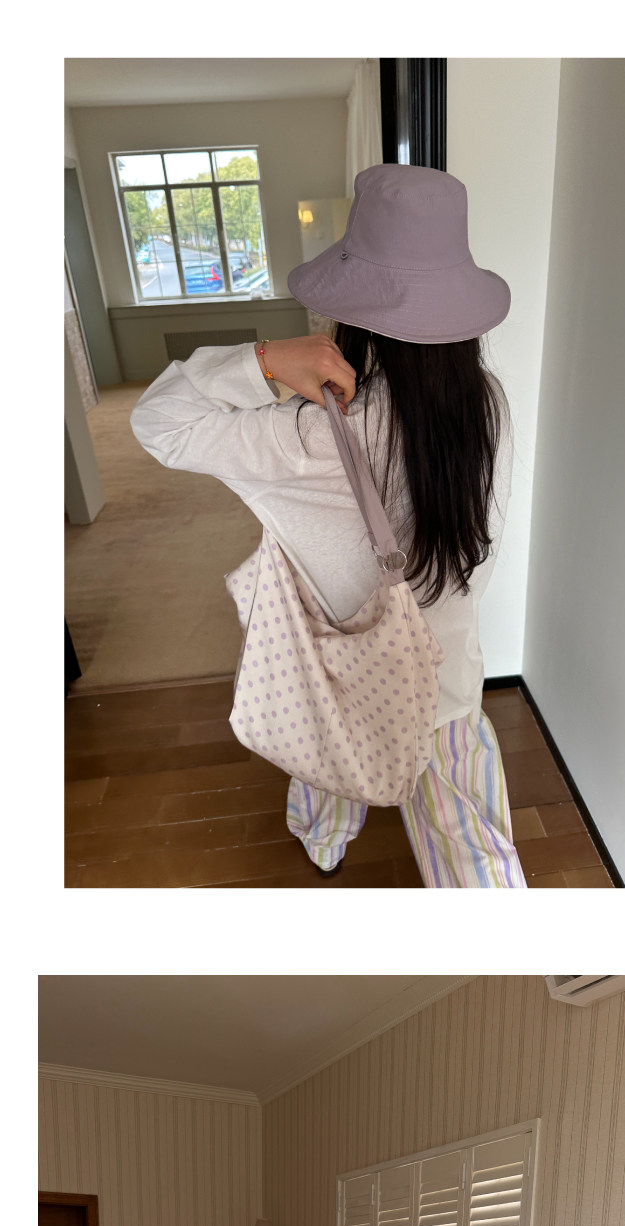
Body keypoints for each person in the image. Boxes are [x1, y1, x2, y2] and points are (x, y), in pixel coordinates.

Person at [130, 164, 526, 889]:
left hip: (341, 671)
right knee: (473, 844)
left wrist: (265, 360)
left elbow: (159, 421)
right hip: (448, 676)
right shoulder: (486, 403)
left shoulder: (311, 436)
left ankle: (324, 844)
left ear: (353, 305)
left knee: (331, 755)